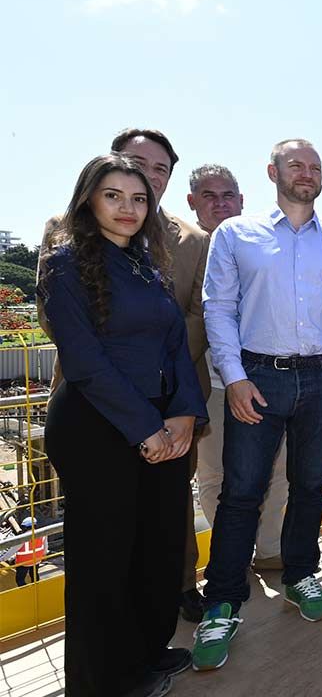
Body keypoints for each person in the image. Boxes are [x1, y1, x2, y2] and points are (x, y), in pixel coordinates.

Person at [194, 139, 322, 671]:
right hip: (259, 377)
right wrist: (235, 377)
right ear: (273, 172)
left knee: (310, 484)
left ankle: (300, 575)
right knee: (241, 491)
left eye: (315, 167)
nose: (307, 173)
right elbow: (218, 308)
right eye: (296, 164)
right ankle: (223, 603)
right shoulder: (236, 235)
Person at [39, 153, 208, 697]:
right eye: (113, 195)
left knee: (155, 551)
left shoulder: (147, 263)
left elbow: (176, 343)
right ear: (89, 199)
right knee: (104, 564)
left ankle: (145, 656)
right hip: (98, 427)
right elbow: (85, 361)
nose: (128, 208)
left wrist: (183, 412)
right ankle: (103, 683)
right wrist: (148, 430)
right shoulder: (65, 264)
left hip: (161, 421)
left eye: (139, 198)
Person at [185, 164, 290, 624]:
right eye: (209, 195)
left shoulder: (259, 245)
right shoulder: (184, 249)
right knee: (214, 476)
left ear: (243, 201)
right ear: (193, 201)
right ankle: (235, 555)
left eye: (228, 195)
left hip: (265, 381)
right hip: (207, 382)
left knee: (277, 469)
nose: (220, 203)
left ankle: (269, 551)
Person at [14, 517, 46, 587]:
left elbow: (12, 551)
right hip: (36, 560)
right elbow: (45, 549)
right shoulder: (43, 534)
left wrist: (2, 558)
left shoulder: (22, 538)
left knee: (20, 579)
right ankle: (36, 588)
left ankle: (25, 591)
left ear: (25, 527)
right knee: (34, 575)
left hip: (23, 563)